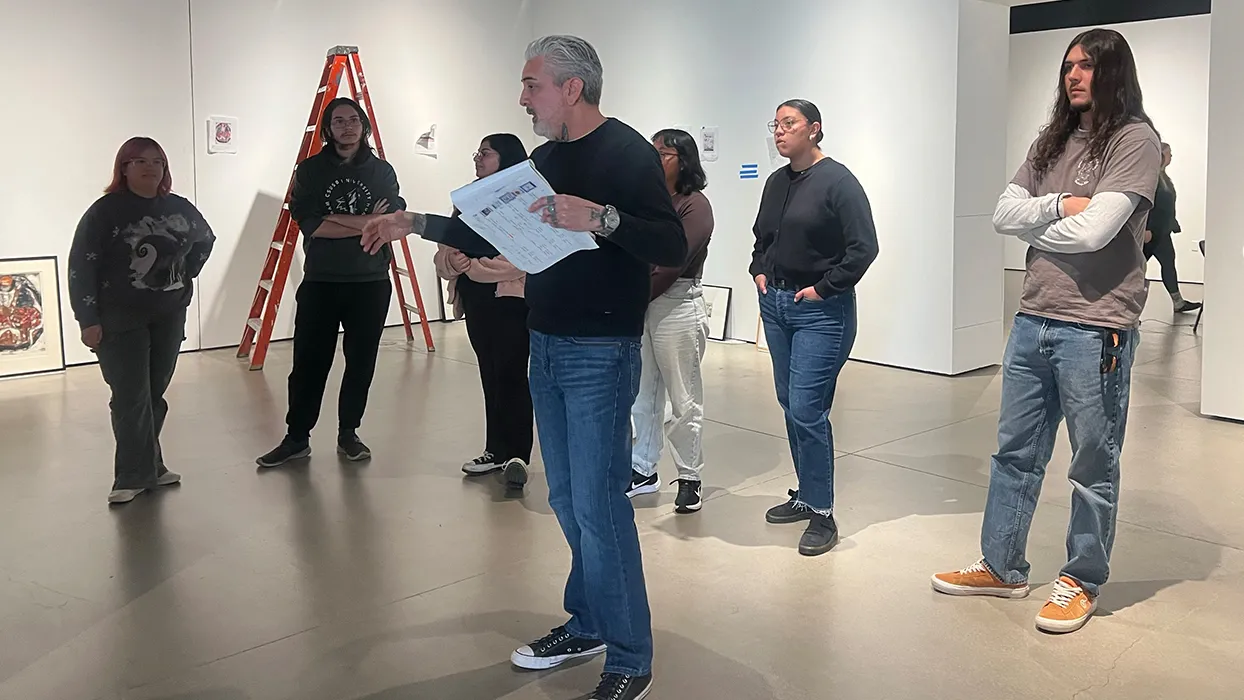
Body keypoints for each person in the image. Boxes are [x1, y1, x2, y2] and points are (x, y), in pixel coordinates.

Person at [363, 33, 685, 700]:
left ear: (572, 88)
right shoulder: (541, 159)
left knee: (599, 505)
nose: (523, 97)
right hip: (549, 340)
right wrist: (415, 221)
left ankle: (631, 656)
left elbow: (669, 241)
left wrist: (601, 215)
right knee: (568, 499)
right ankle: (590, 620)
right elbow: (492, 232)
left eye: (532, 84)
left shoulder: (626, 152)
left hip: (601, 349)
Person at [932, 28, 1161, 635]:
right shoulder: (1052, 140)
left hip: (1097, 328)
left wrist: (1034, 223)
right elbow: (1004, 214)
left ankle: (1081, 579)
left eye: (1088, 66)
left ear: (1114, 72)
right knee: (1015, 453)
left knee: (1093, 461)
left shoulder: (1135, 140)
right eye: (1068, 66)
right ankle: (1002, 564)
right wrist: (1061, 206)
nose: (1075, 75)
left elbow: (1099, 233)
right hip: (1033, 318)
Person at [751, 99, 879, 557]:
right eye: (776, 125)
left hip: (820, 311)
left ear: (815, 130)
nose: (780, 132)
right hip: (777, 305)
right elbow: (763, 239)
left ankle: (822, 512)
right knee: (791, 402)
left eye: (789, 124)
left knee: (807, 406)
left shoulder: (838, 182)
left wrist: (825, 288)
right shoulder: (775, 182)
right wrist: (759, 270)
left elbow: (863, 247)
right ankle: (806, 494)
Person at [256, 97, 405, 468]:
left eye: (353, 120)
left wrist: (337, 220)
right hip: (322, 281)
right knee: (308, 363)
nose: (347, 127)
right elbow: (312, 225)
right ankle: (296, 438)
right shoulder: (309, 171)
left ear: (364, 126)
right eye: (339, 121)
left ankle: (348, 434)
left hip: (370, 282)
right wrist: (365, 221)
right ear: (328, 129)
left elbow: (390, 224)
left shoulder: (382, 172)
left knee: (360, 363)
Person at [68, 136, 216, 504]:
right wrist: (87, 318)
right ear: (124, 168)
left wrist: (186, 273)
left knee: (153, 394)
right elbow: (81, 265)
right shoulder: (105, 212)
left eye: (157, 162)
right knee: (129, 395)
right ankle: (131, 476)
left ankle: (151, 465)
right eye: (139, 161)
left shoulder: (179, 208)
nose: (150, 168)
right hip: (119, 316)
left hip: (168, 314)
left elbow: (204, 239)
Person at [433, 133, 533, 489]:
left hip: (509, 301)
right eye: (477, 152)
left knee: (512, 374)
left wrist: (471, 266)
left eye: (485, 153)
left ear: (505, 159)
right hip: (475, 300)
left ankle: (517, 454)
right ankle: (495, 450)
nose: (478, 158)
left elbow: (522, 260)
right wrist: (453, 260)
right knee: (490, 373)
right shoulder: (467, 200)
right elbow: (444, 247)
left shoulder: (524, 200)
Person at [627, 128, 714, 514]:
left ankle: (690, 477)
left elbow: (672, 262)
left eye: (663, 153)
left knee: (683, 399)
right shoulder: (647, 201)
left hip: (677, 303)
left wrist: (627, 295)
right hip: (642, 303)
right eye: (653, 151)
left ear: (684, 161)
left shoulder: (695, 205)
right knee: (642, 395)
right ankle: (643, 469)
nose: (655, 158)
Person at [1142, 142, 1200, 313]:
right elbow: (1146, 204)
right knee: (1135, 270)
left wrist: (1171, 223)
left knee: (1168, 263)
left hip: (1162, 231)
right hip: (1150, 232)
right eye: (1169, 154)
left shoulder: (1163, 177)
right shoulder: (1150, 176)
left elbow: (1166, 204)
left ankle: (1178, 302)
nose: (1171, 157)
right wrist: (1146, 228)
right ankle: (1124, 310)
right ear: (1160, 156)